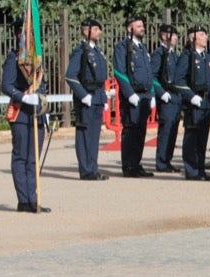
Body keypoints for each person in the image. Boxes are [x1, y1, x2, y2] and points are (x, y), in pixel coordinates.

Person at [0, 31, 50, 212]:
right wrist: (23, 97)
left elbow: (41, 86)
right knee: (21, 157)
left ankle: (33, 199)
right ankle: (24, 200)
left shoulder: (36, 60)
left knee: (33, 159)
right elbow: (6, 85)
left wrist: (46, 111)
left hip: (37, 113)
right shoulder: (14, 58)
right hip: (21, 113)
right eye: (25, 33)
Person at [64, 17, 110, 180]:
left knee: (94, 135)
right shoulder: (81, 51)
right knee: (85, 135)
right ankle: (86, 169)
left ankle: (93, 167)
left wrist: (103, 98)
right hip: (87, 97)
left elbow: (101, 77)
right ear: (86, 31)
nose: (99, 32)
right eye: (96, 29)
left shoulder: (97, 51)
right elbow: (70, 76)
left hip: (97, 97)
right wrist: (83, 96)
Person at [113, 15, 155, 176]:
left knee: (140, 131)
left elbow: (149, 74)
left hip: (144, 96)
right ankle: (129, 165)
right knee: (131, 131)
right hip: (133, 95)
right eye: (138, 26)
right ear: (129, 28)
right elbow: (119, 71)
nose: (142, 28)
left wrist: (151, 94)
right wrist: (129, 93)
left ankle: (136, 163)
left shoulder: (142, 48)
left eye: (142, 26)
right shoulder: (123, 47)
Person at [180, 26, 210, 181]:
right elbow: (178, 80)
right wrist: (190, 96)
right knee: (192, 136)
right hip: (194, 102)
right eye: (201, 34)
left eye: (205, 34)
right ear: (192, 38)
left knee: (202, 138)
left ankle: (200, 168)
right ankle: (192, 169)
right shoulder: (187, 56)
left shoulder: (206, 57)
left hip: (206, 101)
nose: (205, 37)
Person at [152, 24, 184, 173]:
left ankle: (167, 159)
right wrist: (161, 93)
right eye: (173, 35)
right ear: (164, 36)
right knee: (166, 130)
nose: (176, 38)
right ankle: (162, 161)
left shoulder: (173, 55)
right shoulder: (159, 54)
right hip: (166, 97)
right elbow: (153, 76)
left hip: (176, 97)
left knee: (173, 130)